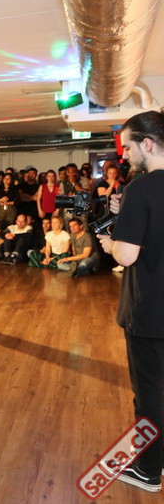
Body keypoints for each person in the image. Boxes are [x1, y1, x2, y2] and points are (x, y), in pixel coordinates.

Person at [96, 111, 164, 492]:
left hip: (150, 309)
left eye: (128, 147)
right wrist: (129, 214)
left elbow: (126, 255)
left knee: (150, 393)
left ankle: (149, 470)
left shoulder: (141, 188)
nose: (125, 155)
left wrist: (110, 242)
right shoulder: (140, 194)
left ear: (148, 144)